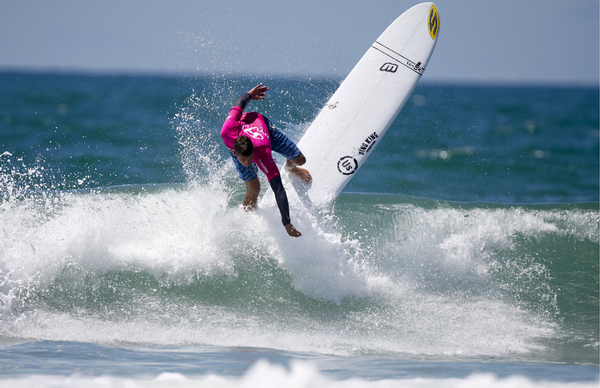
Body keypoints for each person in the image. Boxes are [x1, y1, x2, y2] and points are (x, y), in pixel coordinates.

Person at [221, 84, 311, 237]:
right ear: (235, 152)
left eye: (250, 160)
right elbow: (239, 104)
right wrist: (249, 94)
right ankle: (248, 221)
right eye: (244, 160)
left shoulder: (263, 153)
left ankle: (290, 168)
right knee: (254, 188)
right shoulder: (227, 131)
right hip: (245, 130)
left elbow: (278, 188)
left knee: (300, 160)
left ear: (254, 153)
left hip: (264, 128)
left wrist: (286, 222)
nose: (248, 164)